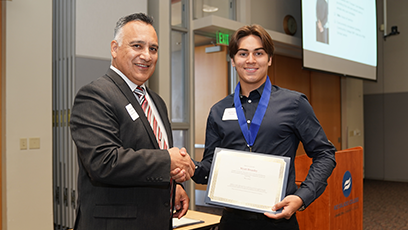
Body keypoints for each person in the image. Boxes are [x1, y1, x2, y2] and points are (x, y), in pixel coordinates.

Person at [192, 24, 336, 230]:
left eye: (258, 53)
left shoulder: (294, 104)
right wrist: (191, 167)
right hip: (232, 222)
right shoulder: (218, 110)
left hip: (279, 221)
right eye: (243, 53)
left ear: (269, 59)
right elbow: (209, 168)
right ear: (233, 60)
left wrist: (301, 197)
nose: (250, 60)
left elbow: (325, 154)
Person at [70, 12, 195, 230]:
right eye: (137, 46)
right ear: (114, 48)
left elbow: (152, 152)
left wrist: (174, 185)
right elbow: (103, 162)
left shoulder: (156, 101)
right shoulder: (94, 95)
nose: (146, 55)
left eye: (153, 49)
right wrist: (168, 161)